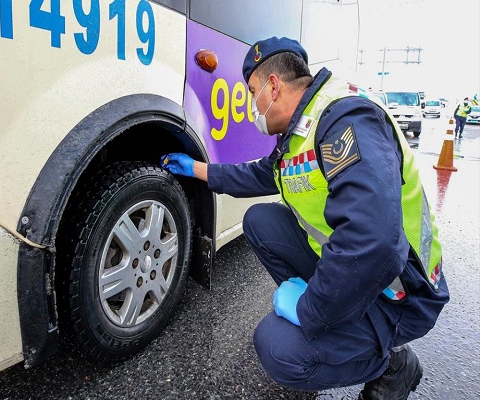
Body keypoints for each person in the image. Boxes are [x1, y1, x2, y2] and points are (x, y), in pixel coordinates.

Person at [160, 36, 449, 400]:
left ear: (273, 86)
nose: (253, 105)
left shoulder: (347, 119)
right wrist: (198, 169)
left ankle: (390, 362)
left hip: (401, 290)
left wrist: (311, 309)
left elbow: (375, 242)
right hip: (360, 271)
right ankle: (339, 320)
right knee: (259, 222)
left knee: (277, 347)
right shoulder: (301, 131)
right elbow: (258, 176)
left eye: (253, 92)